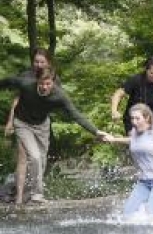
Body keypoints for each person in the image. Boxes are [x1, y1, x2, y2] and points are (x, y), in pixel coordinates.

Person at [0, 68, 110, 204]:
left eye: (48, 84)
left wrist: (96, 131)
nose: (45, 87)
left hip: (42, 126)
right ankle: (37, 195)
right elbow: (7, 81)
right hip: (23, 123)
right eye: (41, 84)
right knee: (34, 157)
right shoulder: (26, 85)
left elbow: (75, 114)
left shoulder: (59, 95)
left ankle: (30, 194)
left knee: (42, 160)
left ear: (53, 82)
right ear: (37, 82)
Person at [104, 104, 153, 219]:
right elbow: (134, 141)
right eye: (132, 118)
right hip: (145, 182)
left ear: (146, 118)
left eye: (137, 118)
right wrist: (114, 139)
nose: (134, 122)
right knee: (127, 215)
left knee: (151, 214)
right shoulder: (135, 132)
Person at [4, 48, 56, 203]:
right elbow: (16, 100)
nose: (38, 64)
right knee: (23, 158)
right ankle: (19, 198)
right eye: (36, 61)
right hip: (23, 122)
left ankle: (33, 193)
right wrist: (10, 122)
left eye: (42, 61)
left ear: (48, 63)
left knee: (40, 158)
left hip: (40, 124)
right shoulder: (26, 77)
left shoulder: (53, 78)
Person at [110, 56, 153, 133]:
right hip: (133, 120)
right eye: (152, 73)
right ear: (146, 70)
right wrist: (114, 111)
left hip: (152, 119)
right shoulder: (136, 80)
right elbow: (118, 94)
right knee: (138, 141)